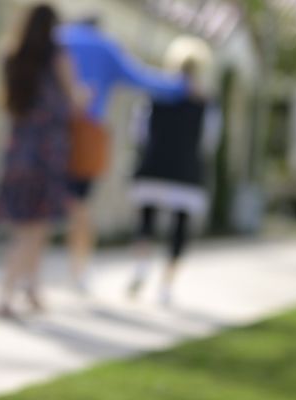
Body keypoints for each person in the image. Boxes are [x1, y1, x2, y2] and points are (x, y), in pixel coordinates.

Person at [58, 15, 189, 294]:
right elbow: (140, 78)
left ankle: (31, 277)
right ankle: (78, 270)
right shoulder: (104, 46)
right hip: (87, 134)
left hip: (48, 129)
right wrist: (182, 86)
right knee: (80, 205)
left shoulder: (58, 38)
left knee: (40, 209)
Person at [0, 3, 86, 318]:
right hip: (48, 149)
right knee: (32, 227)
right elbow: (74, 100)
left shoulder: (11, 55)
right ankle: (6, 295)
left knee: (30, 225)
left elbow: (7, 103)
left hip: (19, 148)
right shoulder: (57, 55)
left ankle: (31, 289)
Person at [126, 38, 221, 307]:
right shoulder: (206, 102)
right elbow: (209, 141)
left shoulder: (155, 95)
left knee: (146, 220)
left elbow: (139, 133)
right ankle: (166, 286)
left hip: (154, 164)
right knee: (180, 228)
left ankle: (141, 268)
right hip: (186, 169)